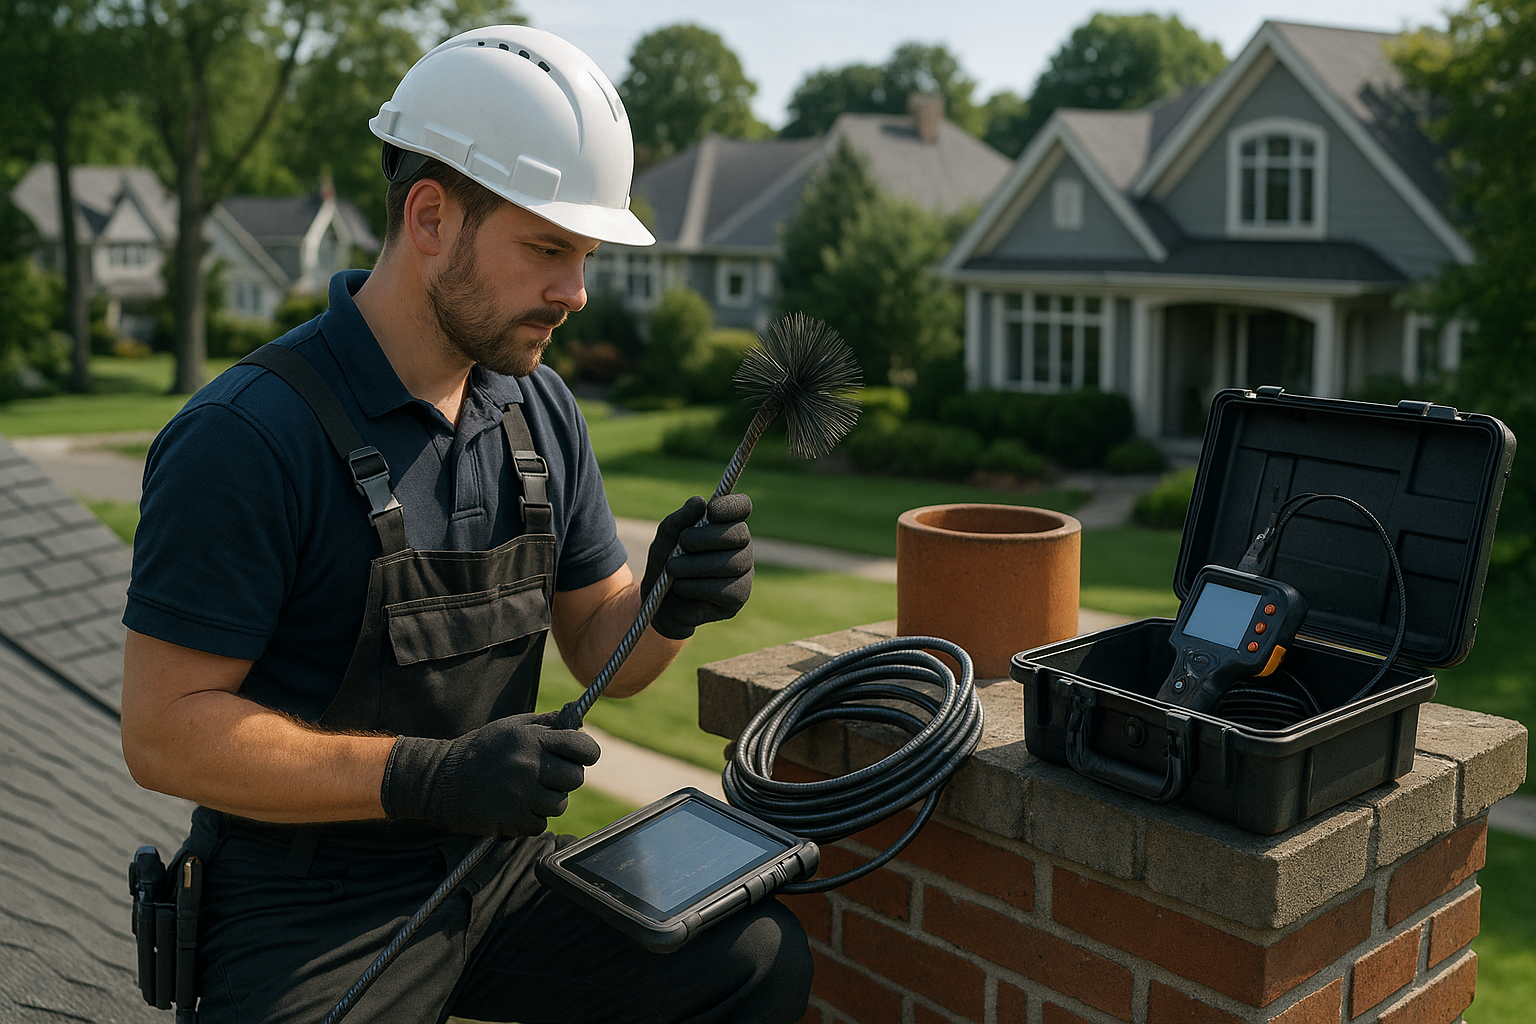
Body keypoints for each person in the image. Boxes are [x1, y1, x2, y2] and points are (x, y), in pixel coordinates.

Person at [119, 25, 812, 1024]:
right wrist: (431, 775)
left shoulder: (540, 411)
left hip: (500, 871)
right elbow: (165, 733)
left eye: (582, 255)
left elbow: (591, 640)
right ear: (432, 217)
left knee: (752, 956)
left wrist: (666, 601)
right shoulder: (247, 437)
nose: (574, 292)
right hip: (307, 902)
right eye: (546, 249)